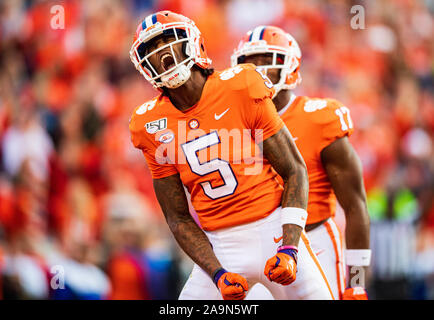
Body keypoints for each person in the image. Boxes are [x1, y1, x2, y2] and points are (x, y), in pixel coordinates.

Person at [128, 11, 333, 300]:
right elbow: (178, 219)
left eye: (167, 42)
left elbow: (294, 170)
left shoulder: (240, 86)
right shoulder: (148, 124)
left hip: (272, 229)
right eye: (149, 50)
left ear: (191, 43)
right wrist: (217, 273)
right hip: (219, 244)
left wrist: (289, 247)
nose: (161, 55)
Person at [231, 25, 371, 300]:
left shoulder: (319, 118)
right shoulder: (233, 123)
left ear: (290, 66)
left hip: (314, 238)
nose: (257, 70)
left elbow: (356, 205)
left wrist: (357, 281)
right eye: (249, 63)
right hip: (256, 245)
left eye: (266, 60)